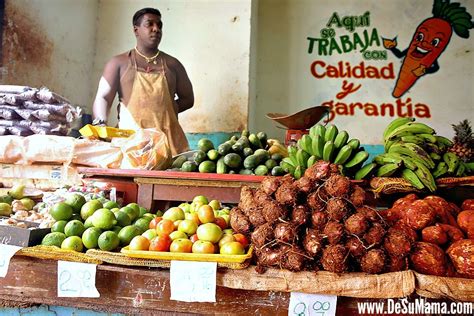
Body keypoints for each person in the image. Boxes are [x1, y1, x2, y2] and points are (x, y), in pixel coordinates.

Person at [92, 7, 194, 155]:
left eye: (159, 25)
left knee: (171, 177)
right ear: (136, 30)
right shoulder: (118, 63)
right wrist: (100, 125)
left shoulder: (173, 64)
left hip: (169, 145)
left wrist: (164, 114)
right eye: (149, 24)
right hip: (130, 144)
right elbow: (103, 97)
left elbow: (188, 99)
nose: (156, 29)